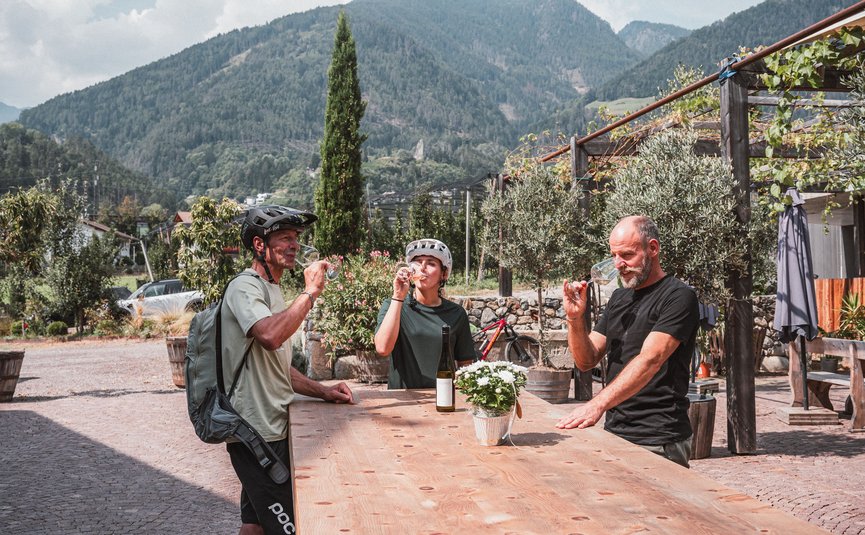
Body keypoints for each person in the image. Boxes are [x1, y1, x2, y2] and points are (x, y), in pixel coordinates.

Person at [224, 205, 354, 535]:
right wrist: (310, 292)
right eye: (284, 238)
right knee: (290, 527)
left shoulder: (272, 291)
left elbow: (277, 366)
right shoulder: (245, 287)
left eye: (295, 238)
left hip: (269, 429)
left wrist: (323, 390)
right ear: (259, 245)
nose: (294, 245)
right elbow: (269, 336)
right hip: (257, 434)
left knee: (254, 525)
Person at [556, 215, 699, 468]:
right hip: (615, 431)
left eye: (627, 255)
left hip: (658, 438)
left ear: (652, 248)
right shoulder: (620, 298)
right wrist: (575, 319)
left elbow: (650, 360)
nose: (618, 264)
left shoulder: (678, 296)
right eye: (613, 255)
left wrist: (596, 405)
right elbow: (586, 360)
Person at [374, 238, 475, 389]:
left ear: (444, 274)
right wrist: (398, 297)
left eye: (431, 263)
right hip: (403, 399)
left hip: (443, 398)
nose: (422, 267)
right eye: (418, 262)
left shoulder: (456, 313)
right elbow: (382, 348)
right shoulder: (394, 305)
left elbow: (465, 365)